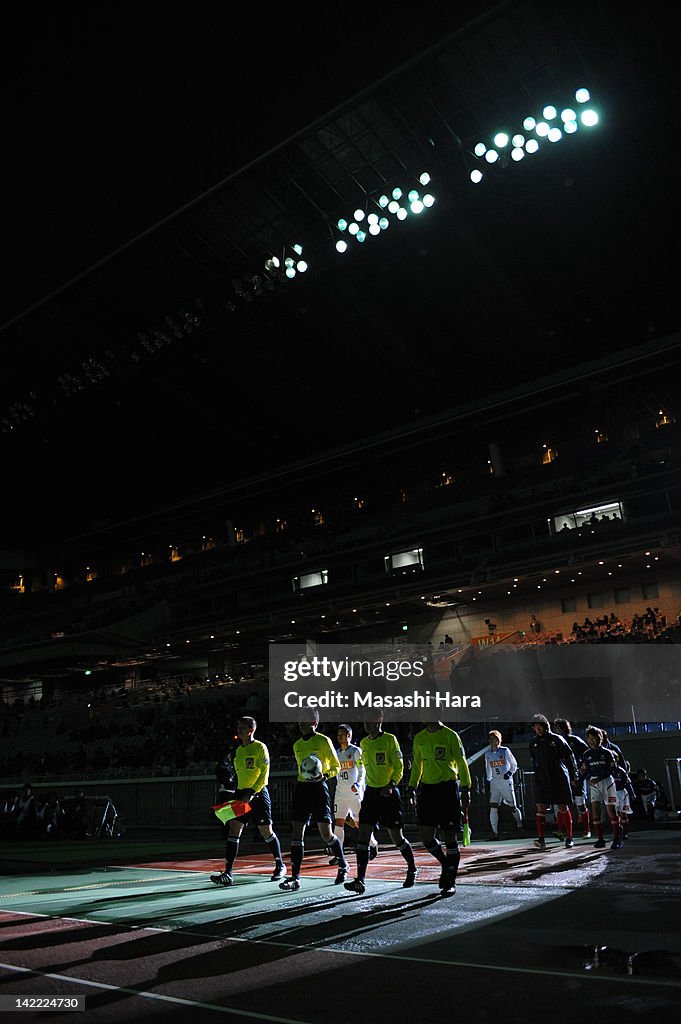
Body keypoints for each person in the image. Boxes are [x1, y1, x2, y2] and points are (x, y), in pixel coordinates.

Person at [344, 713, 416, 895]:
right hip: (371, 794)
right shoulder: (364, 744)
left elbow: (399, 766)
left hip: (389, 793)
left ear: (379, 720)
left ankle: (412, 868)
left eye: (370, 719)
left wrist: (391, 785)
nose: (366, 723)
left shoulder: (390, 740)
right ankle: (360, 880)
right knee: (363, 834)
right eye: (364, 720)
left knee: (397, 838)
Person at [210, 716, 286, 887]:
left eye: (243, 727)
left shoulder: (260, 747)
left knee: (266, 832)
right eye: (238, 726)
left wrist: (251, 793)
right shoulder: (237, 750)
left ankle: (280, 865)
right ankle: (228, 873)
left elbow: (264, 775)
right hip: (241, 794)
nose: (239, 730)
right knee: (233, 829)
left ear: (251, 730)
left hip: (258, 794)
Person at [279, 711, 349, 892]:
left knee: (326, 834)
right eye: (300, 721)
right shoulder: (297, 745)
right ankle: (295, 877)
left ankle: (343, 865)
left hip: (319, 788)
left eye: (307, 722)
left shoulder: (323, 741)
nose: (302, 724)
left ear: (315, 722)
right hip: (302, 789)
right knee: (297, 831)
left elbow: (336, 766)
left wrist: (323, 776)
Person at [407, 720, 471, 893]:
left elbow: (462, 762)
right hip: (427, 791)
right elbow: (417, 764)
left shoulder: (451, 735)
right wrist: (412, 786)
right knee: (427, 837)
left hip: (447, 789)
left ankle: (451, 881)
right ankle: (445, 864)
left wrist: (466, 787)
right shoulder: (419, 738)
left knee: (449, 837)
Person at [528, 714, 579, 850]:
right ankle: (541, 839)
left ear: (545, 726)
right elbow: (534, 762)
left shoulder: (557, 739)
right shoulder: (533, 743)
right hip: (542, 780)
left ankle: (569, 837)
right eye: (535, 727)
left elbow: (569, 757)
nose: (537, 729)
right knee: (540, 807)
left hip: (559, 777)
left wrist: (574, 776)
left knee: (562, 807)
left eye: (540, 726)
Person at [329, 724, 377, 865]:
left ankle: (373, 844)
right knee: (338, 824)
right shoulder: (336, 753)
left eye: (342, 734)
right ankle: (339, 854)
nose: (339, 737)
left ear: (349, 735)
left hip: (355, 794)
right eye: (338, 734)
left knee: (359, 824)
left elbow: (362, 771)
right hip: (340, 794)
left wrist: (357, 784)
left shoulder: (356, 751)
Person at [579, 726, 621, 849]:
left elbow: (613, 769)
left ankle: (616, 839)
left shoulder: (607, 753)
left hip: (608, 782)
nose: (592, 741)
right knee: (595, 811)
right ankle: (600, 839)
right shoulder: (586, 754)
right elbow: (586, 770)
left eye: (594, 738)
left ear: (600, 738)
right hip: (594, 784)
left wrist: (600, 778)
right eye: (589, 738)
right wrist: (579, 780)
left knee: (611, 812)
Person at [553, 718, 591, 839]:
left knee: (580, 804)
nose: (555, 730)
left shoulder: (575, 740)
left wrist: (582, 770)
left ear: (563, 728)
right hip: (562, 778)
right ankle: (560, 830)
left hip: (576, 777)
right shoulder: (554, 742)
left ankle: (587, 830)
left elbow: (588, 754)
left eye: (557, 728)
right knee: (561, 805)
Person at [484, 730, 523, 839]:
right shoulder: (487, 754)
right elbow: (488, 768)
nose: (491, 740)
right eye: (490, 738)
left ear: (498, 740)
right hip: (495, 783)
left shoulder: (505, 751)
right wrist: (488, 780)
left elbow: (514, 764)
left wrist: (509, 773)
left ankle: (520, 826)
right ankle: (494, 832)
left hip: (506, 781)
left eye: (494, 738)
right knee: (493, 806)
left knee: (512, 807)